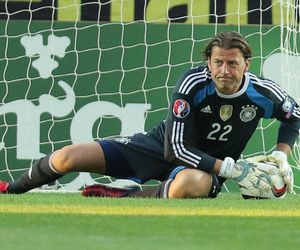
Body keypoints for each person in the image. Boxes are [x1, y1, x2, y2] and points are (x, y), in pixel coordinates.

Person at [0, 31, 299, 198]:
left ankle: (125, 196)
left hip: (203, 170)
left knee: (186, 186)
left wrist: (281, 155)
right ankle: (10, 190)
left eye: (232, 63)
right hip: (159, 147)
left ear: (246, 63)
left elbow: (294, 116)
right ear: (208, 62)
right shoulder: (193, 83)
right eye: (218, 62)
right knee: (68, 157)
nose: (224, 70)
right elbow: (177, 148)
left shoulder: (263, 92)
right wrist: (232, 170)